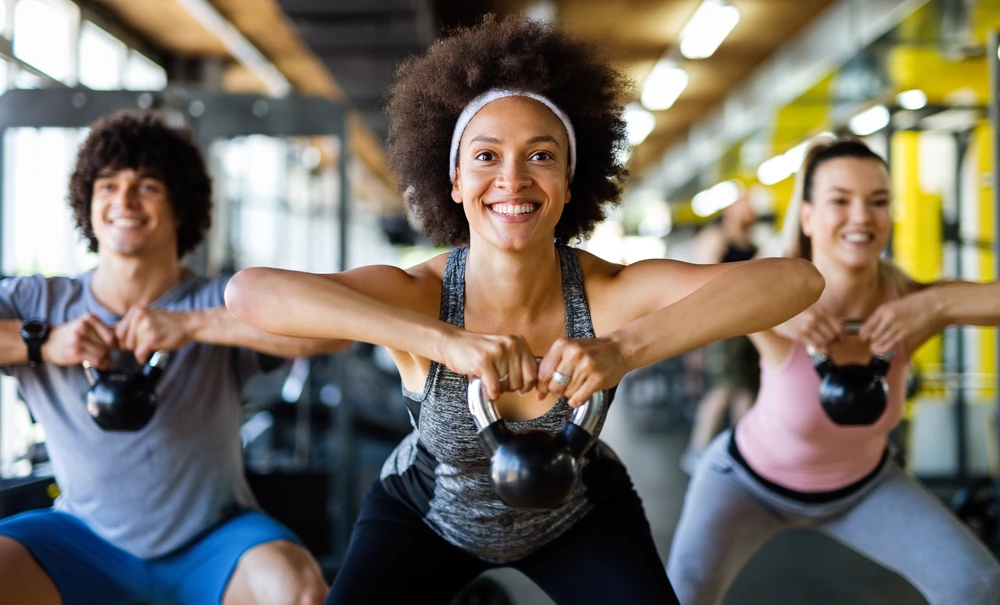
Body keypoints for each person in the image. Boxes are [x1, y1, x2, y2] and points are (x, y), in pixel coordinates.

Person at [225, 16, 824, 605]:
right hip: (427, 516)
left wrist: (625, 347)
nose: (512, 180)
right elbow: (247, 294)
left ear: (568, 179)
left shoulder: (606, 293)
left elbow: (795, 280)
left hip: (579, 514)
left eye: (540, 156)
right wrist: (444, 342)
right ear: (455, 180)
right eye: (486, 157)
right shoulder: (422, 294)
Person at [0, 111, 347, 605]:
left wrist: (192, 325)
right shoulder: (41, 305)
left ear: (180, 207)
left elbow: (333, 335)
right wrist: (42, 342)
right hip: (81, 538)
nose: (124, 200)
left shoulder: (219, 298)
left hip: (214, 539)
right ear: (89, 201)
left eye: (146, 187)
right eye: (108, 185)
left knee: (300, 591)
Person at [666, 136, 1000, 605]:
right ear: (807, 216)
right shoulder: (772, 302)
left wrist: (937, 304)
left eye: (878, 202)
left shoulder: (908, 307)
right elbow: (679, 293)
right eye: (840, 201)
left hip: (866, 488)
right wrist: (772, 309)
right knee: (681, 593)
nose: (862, 217)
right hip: (746, 483)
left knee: (979, 585)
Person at [681, 193, 761, 474]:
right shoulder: (716, 238)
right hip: (721, 324)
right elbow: (702, 286)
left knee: (745, 390)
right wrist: (699, 337)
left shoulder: (753, 244)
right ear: (730, 210)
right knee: (723, 389)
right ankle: (697, 451)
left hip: (749, 326)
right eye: (744, 204)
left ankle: (743, 452)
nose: (749, 210)